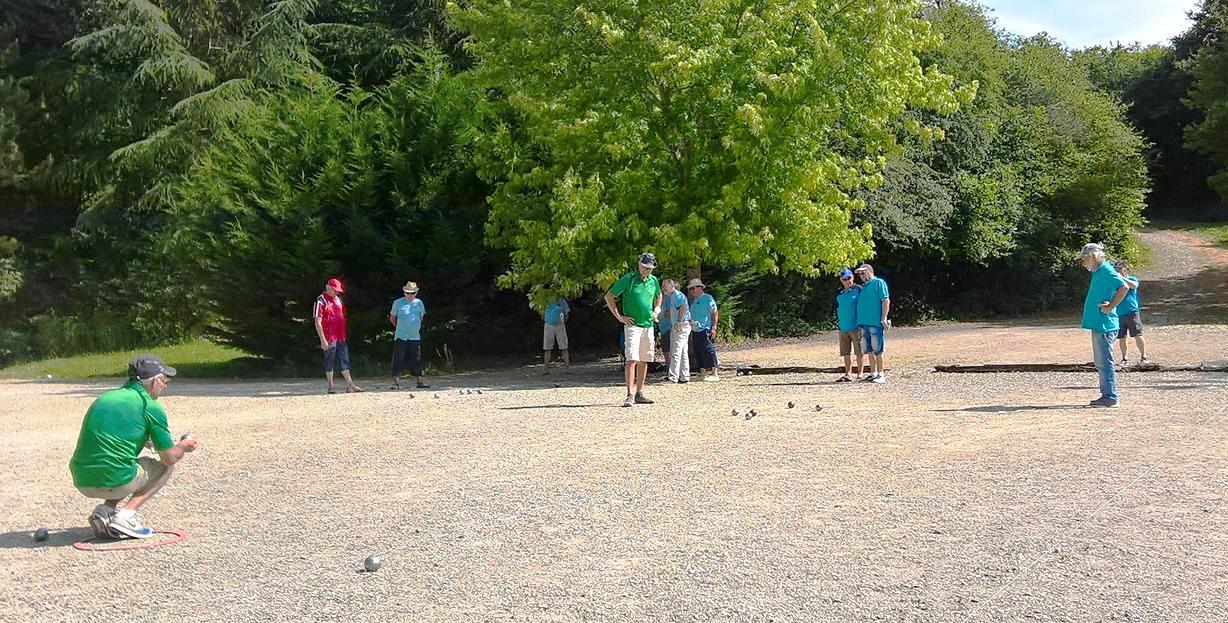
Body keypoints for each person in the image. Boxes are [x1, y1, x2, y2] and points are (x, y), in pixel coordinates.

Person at [68, 355, 199, 539]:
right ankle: (127, 515)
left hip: (82, 479)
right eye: (165, 381)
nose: (166, 385)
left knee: (121, 462)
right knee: (166, 467)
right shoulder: (151, 406)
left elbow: (113, 436)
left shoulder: (104, 398)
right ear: (155, 382)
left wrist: (144, 440)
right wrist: (183, 446)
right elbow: (169, 457)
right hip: (116, 478)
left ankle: (106, 511)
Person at [604, 252, 662, 407]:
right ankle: (629, 394)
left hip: (648, 325)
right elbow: (609, 296)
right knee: (631, 359)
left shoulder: (653, 280)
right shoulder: (628, 279)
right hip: (633, 326)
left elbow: (659, 295)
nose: (647, 271)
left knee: (645, 359)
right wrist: (619, 317)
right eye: (644, 267)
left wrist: (657, 309)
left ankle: (640, 393)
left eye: (649, 268)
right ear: (639, 264)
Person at [1079, 243, 1130, 407]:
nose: (1083, 262)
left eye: (1084, 259)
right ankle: (1107, 395)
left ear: (1093, 256)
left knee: (1105, 362)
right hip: (1100, 324)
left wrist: (1110, 306)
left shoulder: (1106, 270)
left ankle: (1110, 396)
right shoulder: (1099, 271)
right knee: (1101, 362)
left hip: (1105, 325)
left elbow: (1124, 287)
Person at [314, 277, 363, 394]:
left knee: (344, 359)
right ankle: (331, 386)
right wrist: (323, 339)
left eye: (337, 290)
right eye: (334, 290)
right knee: (329, 360)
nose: (336, 292)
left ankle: (350, 384)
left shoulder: (338, 300)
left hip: (340, 335)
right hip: (329, 336)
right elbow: (317, 321)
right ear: (328, 288)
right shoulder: (320, 300)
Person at [390, 281, 429, 390]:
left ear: (416, 293)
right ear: (404, 292)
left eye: (412, 293)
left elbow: (421, 318)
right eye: (407, 293)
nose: (410, 295)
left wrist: (414, 326)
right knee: (398, 358)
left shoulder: (419, 303)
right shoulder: (397, 303)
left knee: (417, 358)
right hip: (401, 335)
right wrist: (399, 327)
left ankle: (420, 381)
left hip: (414, 336)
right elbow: (393, 318)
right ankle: (396, 383)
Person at [854, 264, 890, 383]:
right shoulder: (863, 287)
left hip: (875, 322)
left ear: (870, 271)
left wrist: (883, 318)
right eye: (859, 274)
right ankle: (873, 373)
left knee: (878, 350)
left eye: (863, 273)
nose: (861, 276)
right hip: (864, 323)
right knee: (869, 349)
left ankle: (881, 374)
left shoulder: (879, 283)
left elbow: (885, 300)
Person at [1113, 260, 1149, 366]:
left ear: (1124, 269)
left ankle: (1144, 357)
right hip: (1119, 313)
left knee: (1138, 334)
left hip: (1132, 312)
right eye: (1116, 270)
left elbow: (1134, 286)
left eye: (1119, 269)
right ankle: (1124, 358)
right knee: (1121, 337)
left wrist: (1121, 277)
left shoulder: (1131, 279)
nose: (1117, 272)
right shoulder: (1115, 282)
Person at [687, 278, 720, 381]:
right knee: (698, 350)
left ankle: (715, 373)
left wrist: (713, 327)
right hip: (695, 329)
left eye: (693, 288)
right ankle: (702, 372)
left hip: (705, 328)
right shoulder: (694, 301)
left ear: (700, 288)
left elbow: (714, 312)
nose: (692, 291)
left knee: (709, 349)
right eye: (690, 289)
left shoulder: (707, 298)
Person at [835, 268, 864, 382]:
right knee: (845, 352)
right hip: (843, 326)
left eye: (849, 278)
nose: (847, 281)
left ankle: (860, 374)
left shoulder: (859, 290)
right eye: (844, 279)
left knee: (859, 351)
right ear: (841, 280)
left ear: (853, 277)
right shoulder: (840, 294)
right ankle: (848, 374)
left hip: (856, 326)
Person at [660, 278, 692, 383]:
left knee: (675, 351)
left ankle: (673, 377)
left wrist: (679, 321)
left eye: (665, 286)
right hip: (678, 326)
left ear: (672, 286)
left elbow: (683, 307)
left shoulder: (677, 295)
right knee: (682, 352)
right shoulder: (672, 296)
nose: (663, 288)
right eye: (662, 286)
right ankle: (684, 376)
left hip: (680, 326)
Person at [542, 296, 571, 373]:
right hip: (549, 324)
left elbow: (567, 314)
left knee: (564, 346)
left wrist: (561, 320)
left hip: (559, 325)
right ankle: (546, 368)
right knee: (547, 347)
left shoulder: (561, 300)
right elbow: (541, 313)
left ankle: (567, 368)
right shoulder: (545, 300)